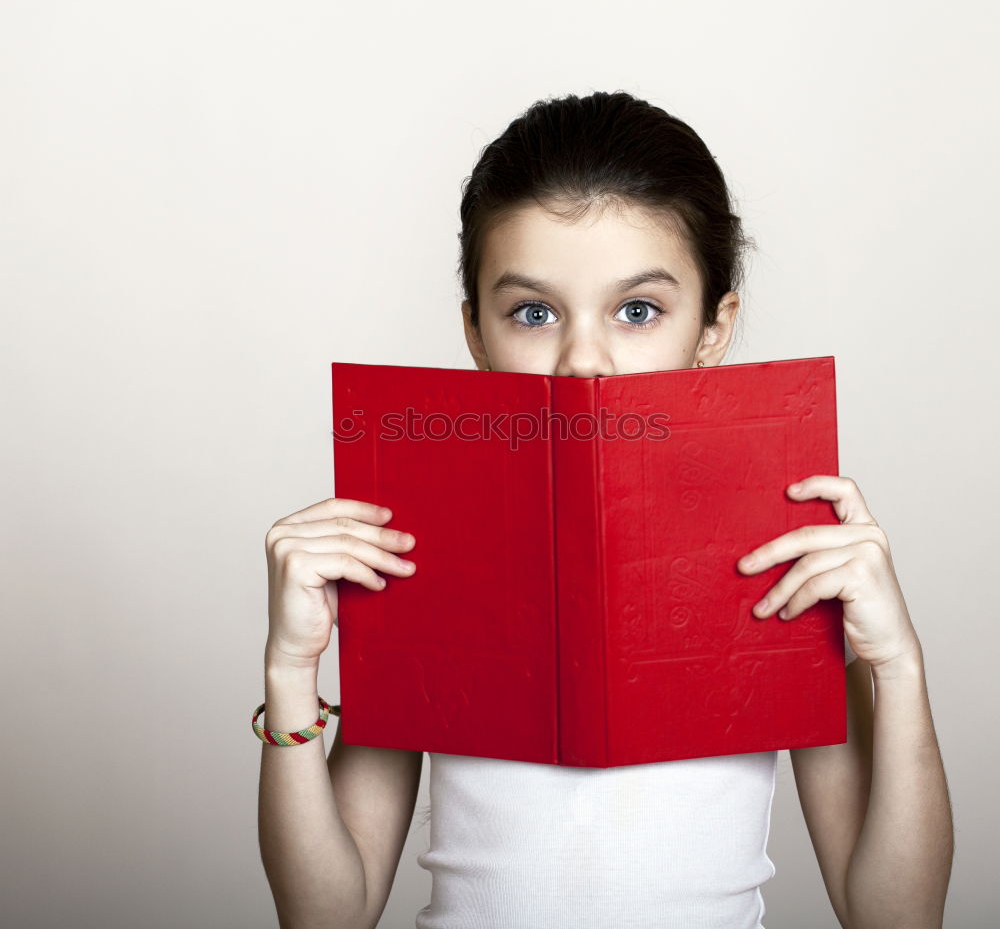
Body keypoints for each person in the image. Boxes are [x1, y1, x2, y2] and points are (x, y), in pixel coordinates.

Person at [256, 91, 954, 929]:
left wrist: (900, 666)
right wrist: (291, 673)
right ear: (475, 331)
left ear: (712, 326)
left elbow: (897, 917)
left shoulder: (786, 548)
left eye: (638, 311)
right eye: (533, 312)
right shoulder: (421, 544)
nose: (583, 361)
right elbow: (327, 917)